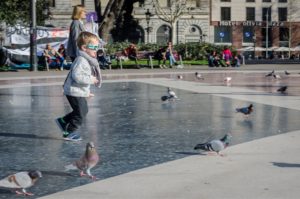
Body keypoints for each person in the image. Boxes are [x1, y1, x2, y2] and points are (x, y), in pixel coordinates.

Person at [55, 31, 102, 141]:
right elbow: (77, 77)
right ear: (84, 48)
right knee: (80, 114)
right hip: (73, 91)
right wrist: (91, 79)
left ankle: (63, 121)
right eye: (93, 47)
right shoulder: (81, 60)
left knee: (82, 111)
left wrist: (86, 92)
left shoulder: (86, 60)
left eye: (97, 47)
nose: (96, 49)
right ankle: (68, 132)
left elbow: (82, 76)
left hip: (76, 91)